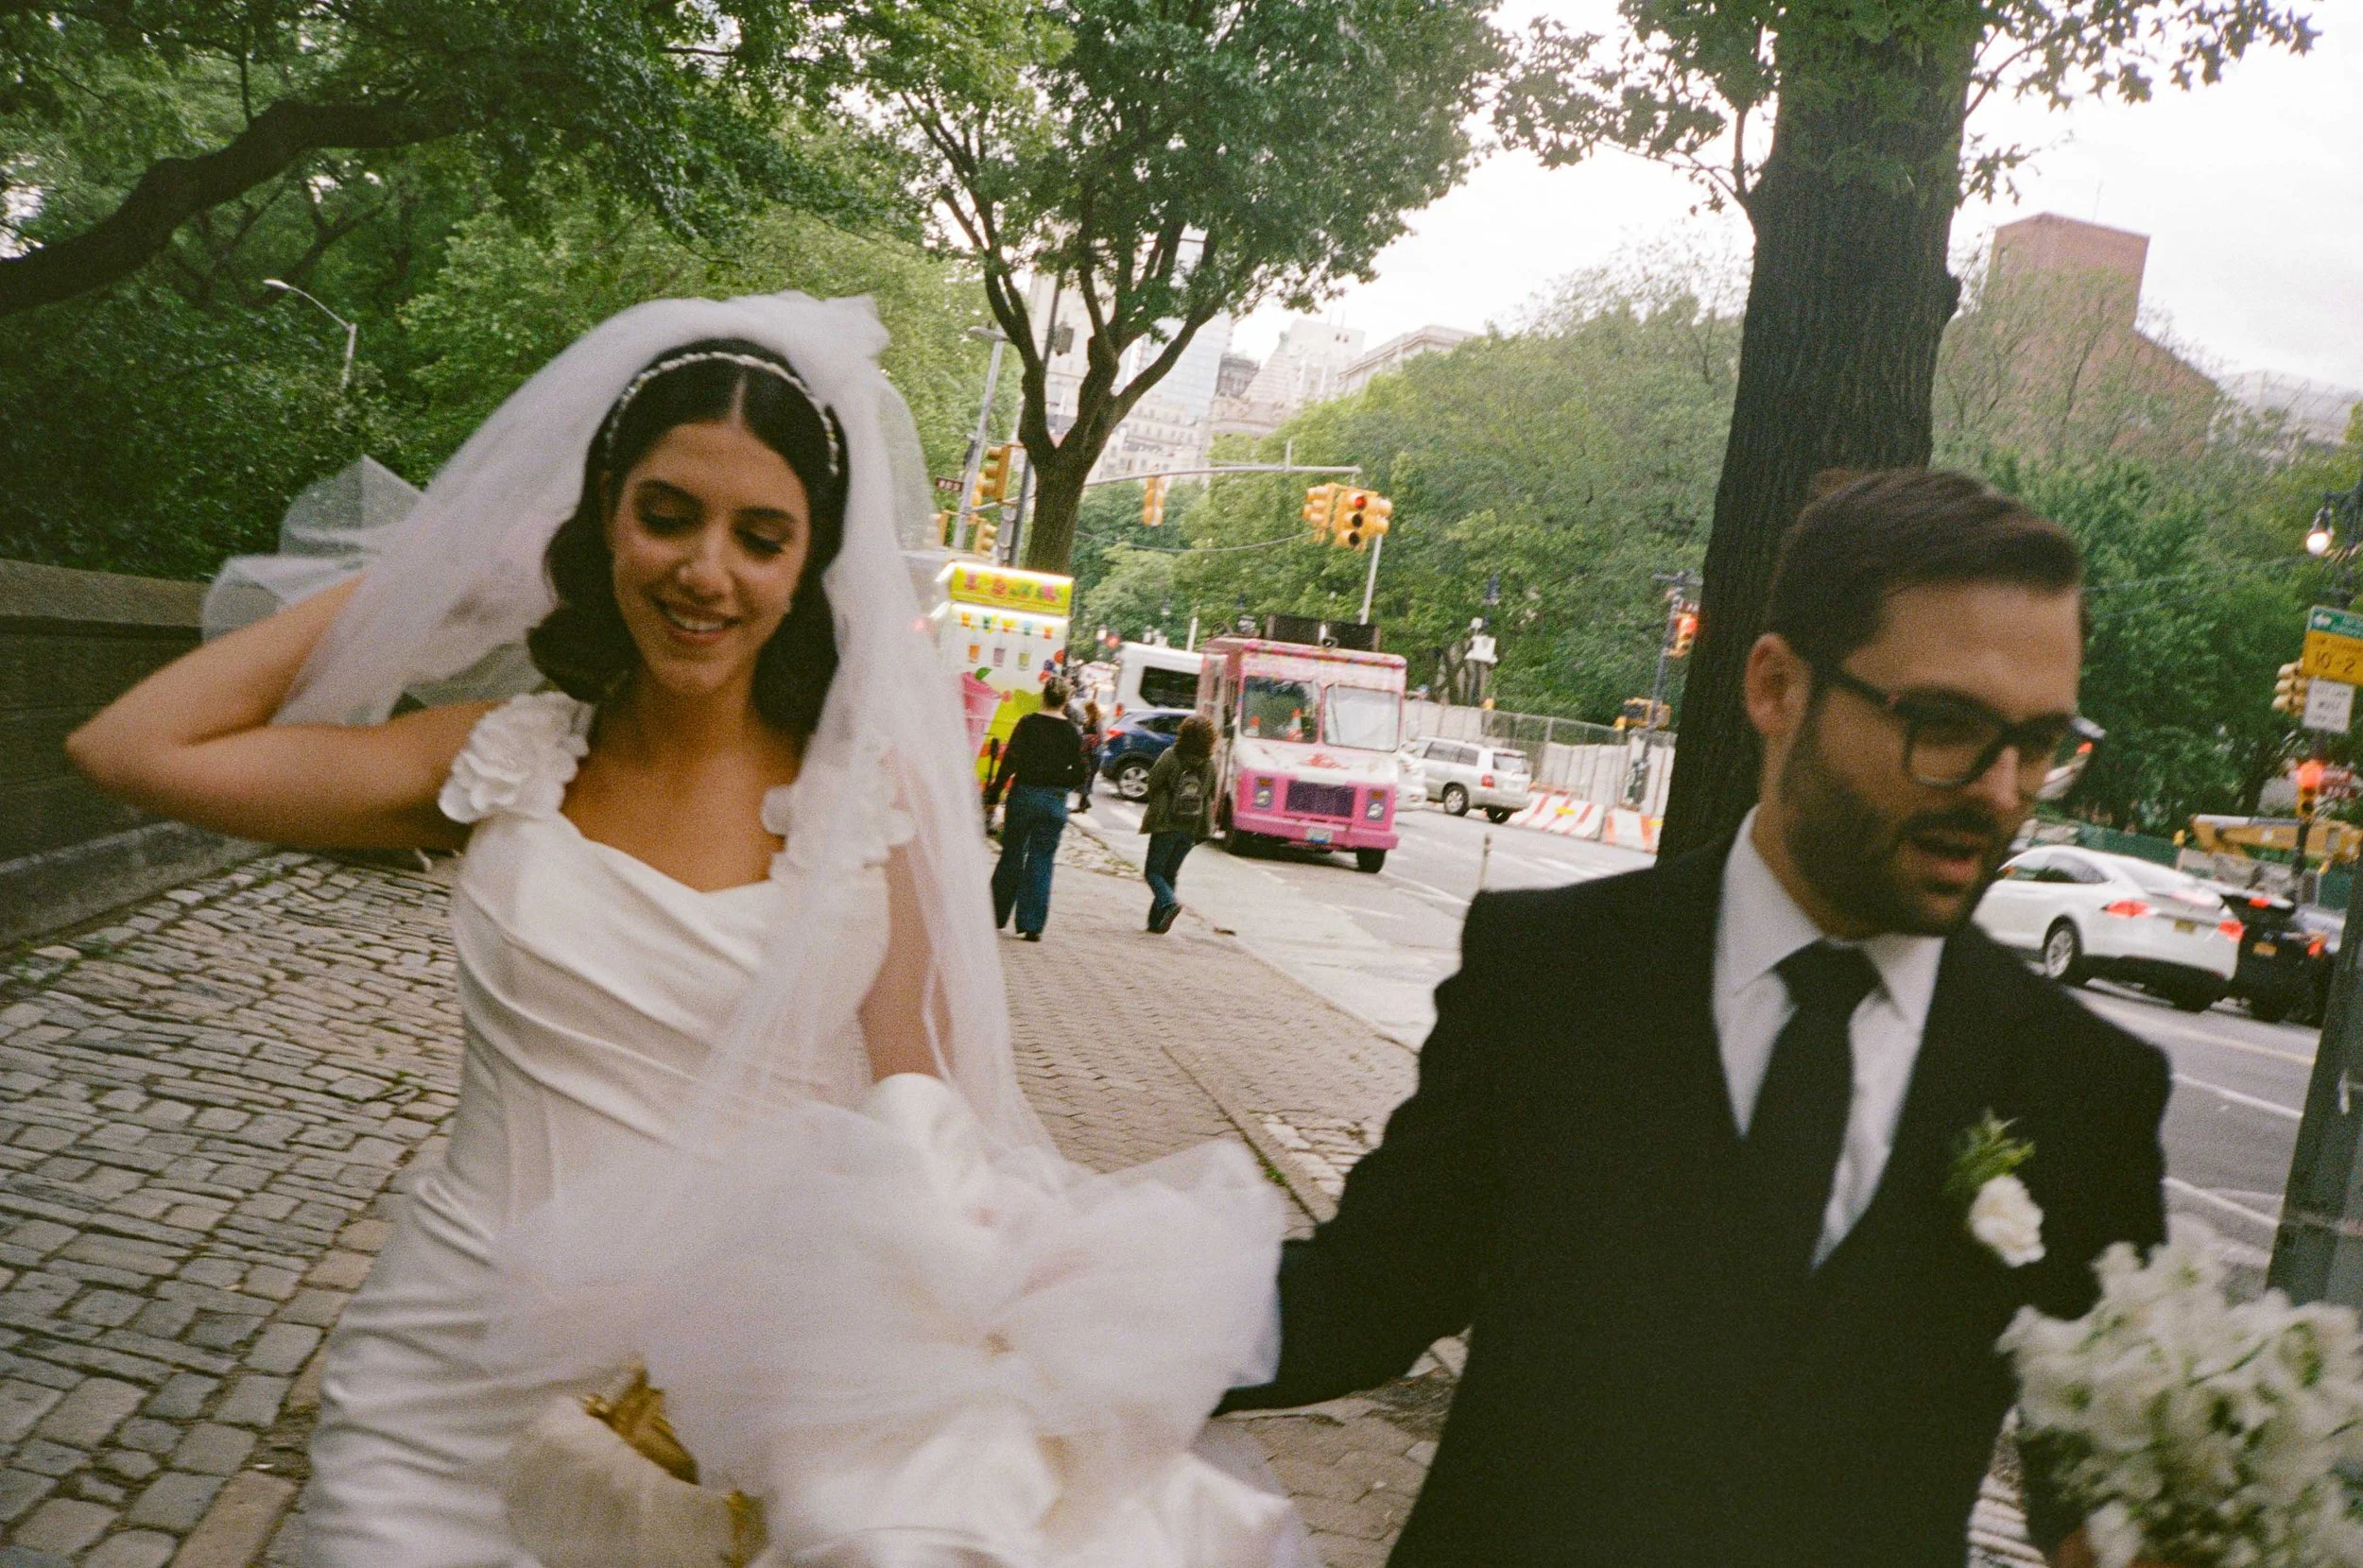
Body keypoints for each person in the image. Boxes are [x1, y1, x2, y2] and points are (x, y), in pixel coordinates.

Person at [68, 295, 1294, 1567]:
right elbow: (129, 746)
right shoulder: (498, 759)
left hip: (723, 1409)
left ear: (809, 564)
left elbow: (923, 1108)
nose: (706, 569)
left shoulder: (873, 802)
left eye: (760, 535)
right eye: (667, 515)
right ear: (604, 521)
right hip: (438, 1384)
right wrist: (439, 576)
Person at [1223, 470, 2170, 1568]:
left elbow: (2101, 1486)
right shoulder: (1549, 976)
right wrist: (1043, 1321)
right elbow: (1366, 1298)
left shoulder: (2082, 1085)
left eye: (2042, 744)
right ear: (1776, 687)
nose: (2001, 791)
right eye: (1947, 726)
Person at [986, 676, 1087, 940]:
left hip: (1024, 795)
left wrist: (994, 793)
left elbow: (1010, 761)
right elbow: (1080, 773)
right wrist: (1058, 784)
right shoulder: (1072, 732)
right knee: (1042, 859)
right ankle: (1032, 925)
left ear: (1044, 696)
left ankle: (994, 914)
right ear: (1065, 701)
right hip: (1054, 800)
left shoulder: (1028, 724)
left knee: (1012, 854)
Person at [1140, 713, 1218, 933]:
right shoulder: (1209, 764)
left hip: (1166, 823)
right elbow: (1210, 792)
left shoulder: (1171, 755)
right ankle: (1157, 923)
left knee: (1153, 872)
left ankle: (1168, 903)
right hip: (1192, 826)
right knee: (1170, 874)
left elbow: (1153, 781)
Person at [1072, 697, 1105, 813]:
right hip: (1087, 753)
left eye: (1086, 709)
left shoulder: (1096, 721)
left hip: (1093, 754)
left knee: (1087, 777)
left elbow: (1101, 738)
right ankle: (1084, 803)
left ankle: (1083, 804)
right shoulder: (1090, 720)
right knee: (1085, 777)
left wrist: (1088, 739)